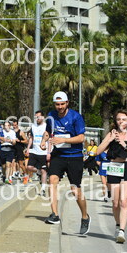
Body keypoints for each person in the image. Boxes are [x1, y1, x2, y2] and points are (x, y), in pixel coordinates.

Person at [41, 91, 90, 235]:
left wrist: (63, 140)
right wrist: (43, 141)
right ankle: (55, 215)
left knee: (75, 189)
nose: (60, 107)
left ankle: (85, 217)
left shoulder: (76, 117)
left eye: (62, 104)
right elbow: (48, 132)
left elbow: (81, 138)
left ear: (67, 103)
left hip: (74, 156)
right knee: (52, 180)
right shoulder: (51, 115)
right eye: (57, 104)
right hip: (58, 155)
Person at [95, 110, 127, 243]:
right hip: (114, 167)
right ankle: (118, 224)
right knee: (115, 203)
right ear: (115, 121)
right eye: (119, 119)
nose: (121, 122)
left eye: (124, 119)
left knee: (124, 201)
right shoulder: (111, 134)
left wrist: (125, 145)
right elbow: (98, 151)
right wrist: (109, 140)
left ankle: (122, 231)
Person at [26, 110, 49, 196]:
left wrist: (49, 152)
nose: (37, 118)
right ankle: (38, 172)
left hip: (43, 152)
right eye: (36, 117)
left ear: (43, 117)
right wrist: (28, 148)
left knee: (44, 170)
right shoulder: (33, 126)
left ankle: (43, 189)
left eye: (38, 117)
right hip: (34, 150)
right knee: (29, 167)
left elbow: (49, 139)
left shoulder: (46, 126)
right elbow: (31, 138)